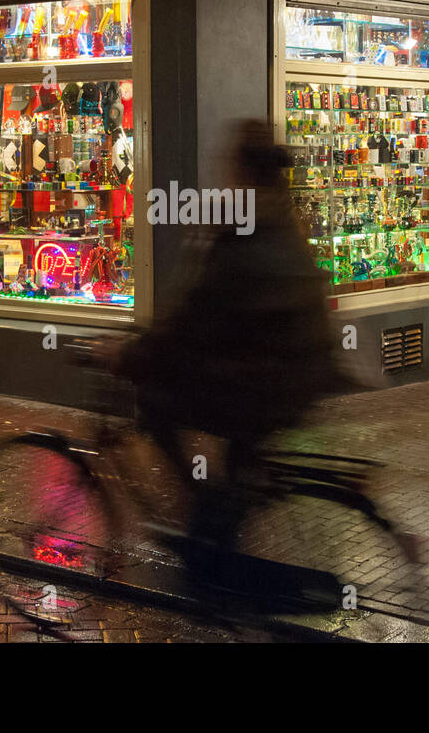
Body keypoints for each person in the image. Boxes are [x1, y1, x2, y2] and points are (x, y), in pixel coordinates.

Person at [103, 119, 335, 583]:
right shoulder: (285, 224)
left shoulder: (242, 233)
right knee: (237, 467)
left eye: (229, 166)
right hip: (298, 378)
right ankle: (221, 538)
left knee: (155, 404)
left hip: (259, 386)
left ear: (241, 170)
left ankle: (208, 527)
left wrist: (131, 355)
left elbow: (192, 320)